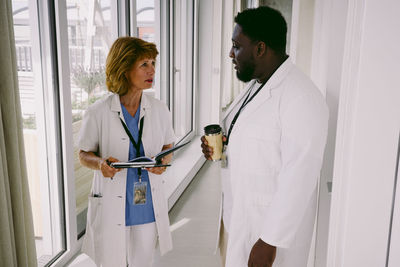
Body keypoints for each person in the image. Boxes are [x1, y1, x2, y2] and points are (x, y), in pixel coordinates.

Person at [201, 6, 329, 267]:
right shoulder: (256, 85)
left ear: (260, 49)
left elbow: (300, 175)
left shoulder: (301, 98)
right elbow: (255, 139)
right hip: (238, 215)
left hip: (265, 235)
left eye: (237, 46)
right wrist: (223, 146)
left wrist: (269, 241)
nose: (230, 54)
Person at [78, 37, 175, 267]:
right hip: (111, 201)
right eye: (144, 64)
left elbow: (168, 146)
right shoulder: (98, 112)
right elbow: (83, 154)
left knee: (143, 261)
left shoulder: (159, 109)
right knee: (111, 261)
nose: (152, 70)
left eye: (153, 63)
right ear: (124, 67)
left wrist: (163, 162)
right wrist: (100, 163)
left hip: (145, 202)